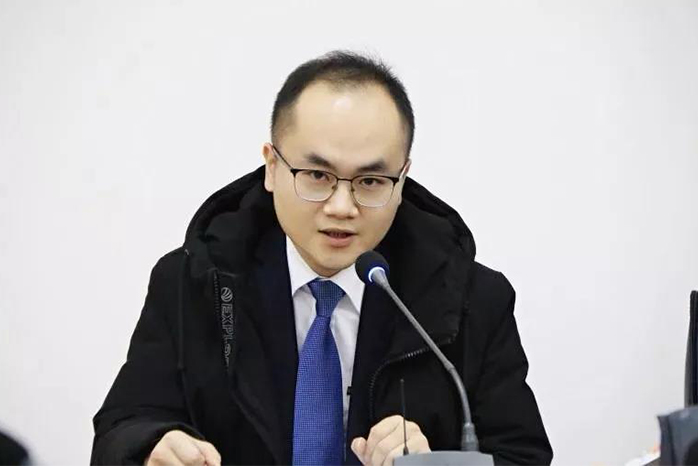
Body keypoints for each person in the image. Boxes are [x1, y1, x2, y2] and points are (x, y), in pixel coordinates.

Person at [91, 50, 553, 466]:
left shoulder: (473, 299)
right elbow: (121, 429)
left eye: (370, 182)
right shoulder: (194, 280)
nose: (341, 207)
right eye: (317, 175)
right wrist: (151, 446)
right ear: (272, 166)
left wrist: (436, 465)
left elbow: (522, 455)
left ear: (402, 179)